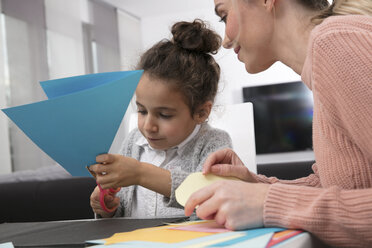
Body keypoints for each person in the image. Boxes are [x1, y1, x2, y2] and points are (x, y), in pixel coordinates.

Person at [184, 0, 372, 247]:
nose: (226, 40)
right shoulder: (324, 57)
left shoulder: (335, 43)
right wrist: (255, 185)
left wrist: (267, 201)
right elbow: (341, 185)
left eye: (224, 15)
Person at [88, 19, 232, 218]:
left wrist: (140, 173)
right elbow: (122, 213)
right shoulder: (133, 142)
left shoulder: (215, 143)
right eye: (142, 111)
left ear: (201, 112)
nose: (148, 127)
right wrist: (109, 208)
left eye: (164, 115)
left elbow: (208, 199)